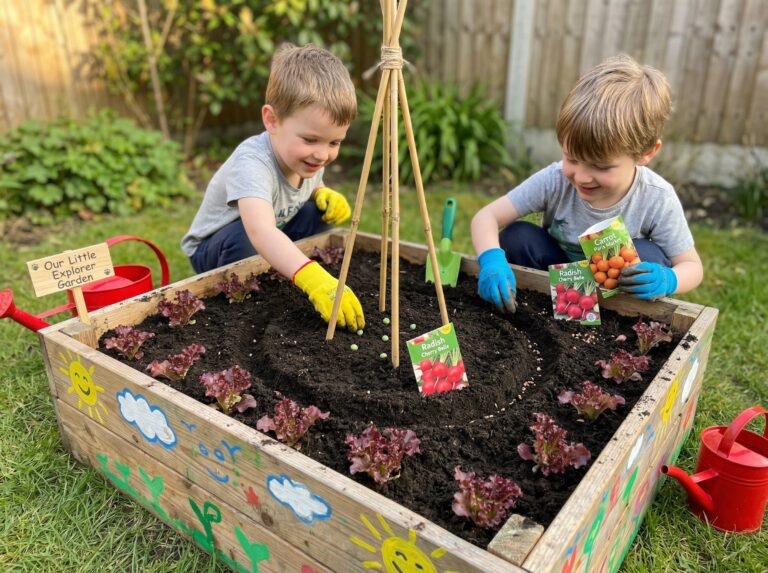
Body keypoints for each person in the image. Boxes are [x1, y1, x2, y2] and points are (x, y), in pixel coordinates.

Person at [471, 54, 703, 312]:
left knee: (648, 256)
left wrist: (669, 280)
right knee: (517, 237)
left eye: (601, 166)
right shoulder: (556, 179)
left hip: (614, 297)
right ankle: (539, 309)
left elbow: (692, 267)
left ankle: (608, 316)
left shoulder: (657, 197)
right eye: (571, 158)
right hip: (556, 281)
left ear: (646, 153)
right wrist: (491, 260)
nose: (581, 176)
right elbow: (486, 217)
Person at [181, 44, 364, 331]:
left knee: (317, 211)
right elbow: (260, 231)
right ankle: (242, 290)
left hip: (272, 228)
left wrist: (321, 193)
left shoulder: (309, 157)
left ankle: (278, 265)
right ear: (272, 120)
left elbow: (304, 190)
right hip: (214, 248)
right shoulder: (252, 161)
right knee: (246, 234)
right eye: (311, 139)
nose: (322, 154)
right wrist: (311, 276)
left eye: (334, 143)